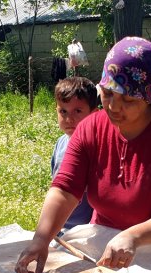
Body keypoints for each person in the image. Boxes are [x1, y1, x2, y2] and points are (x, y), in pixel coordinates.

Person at [16, 36, 151, 273]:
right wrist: (40, 239)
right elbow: (65, 189)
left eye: (128, 99)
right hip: (105, 241)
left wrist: (133, 236)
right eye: (107, 93)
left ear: (150, 97)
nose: (113, 107)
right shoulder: (91, 128)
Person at [50, 76, 97, 231]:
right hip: (60, 227)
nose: (69, 119)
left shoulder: (96, 147)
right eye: (63, 111)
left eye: (77, 111)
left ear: (94, 113)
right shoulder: (60, 143)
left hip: (86, 230)